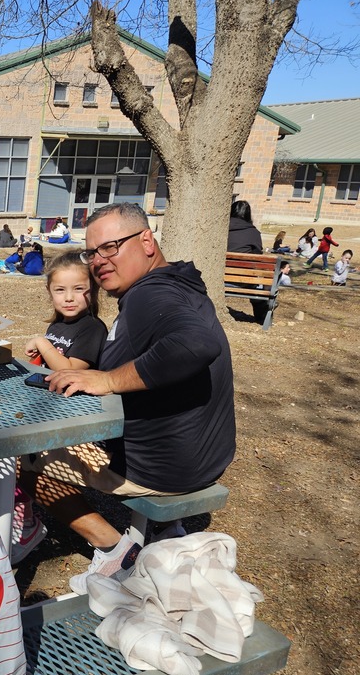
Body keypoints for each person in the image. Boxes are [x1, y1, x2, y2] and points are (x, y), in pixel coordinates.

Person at [19, 202, 235, 595]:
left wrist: (107, 379)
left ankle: (116, 551)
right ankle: (167, 529)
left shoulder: (149, 296)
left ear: (147, 242)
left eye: (111, 247)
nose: (99, 261)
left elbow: (196, 345)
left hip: (161, 470)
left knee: (21, 460)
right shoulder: (179, 284)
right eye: (92, 252)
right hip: (205, 460)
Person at [10, 251, 109, 563]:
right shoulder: (58, 326)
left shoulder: (91, 328)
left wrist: (43, 344)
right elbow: (50, 366)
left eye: (79, 289)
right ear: (49, 292)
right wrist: (39, 356)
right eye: (60, 290)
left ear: (93, 291)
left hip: (78, 422)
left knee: (12, 453)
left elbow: (71, 370)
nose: (69, 298)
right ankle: (22, 510)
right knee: (4, 449)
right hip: (52, 410)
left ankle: (25, 519)